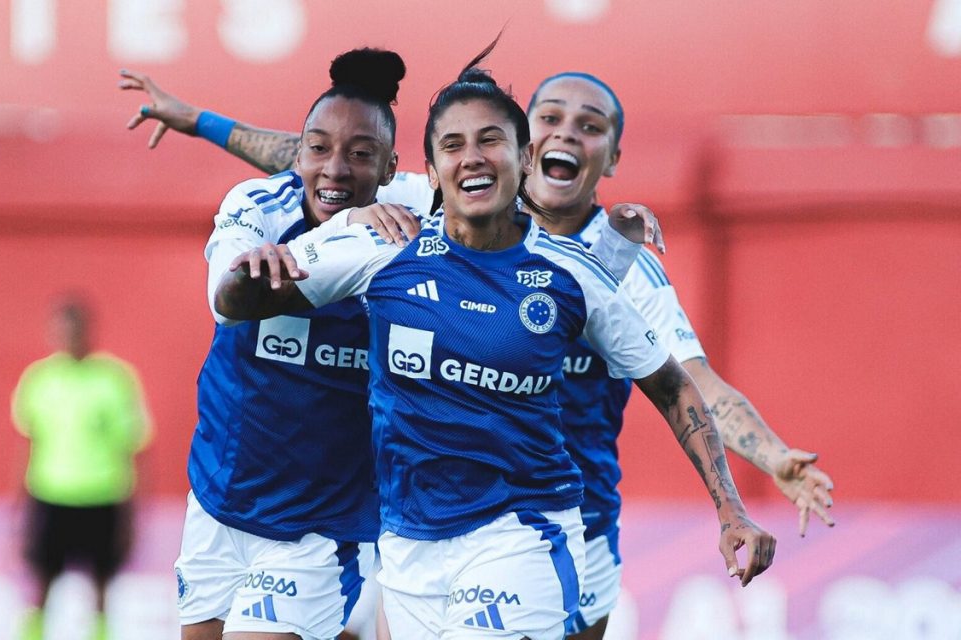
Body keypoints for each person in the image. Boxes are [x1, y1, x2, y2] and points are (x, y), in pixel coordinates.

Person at [121, 65, 834, 640]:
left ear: (536, 157)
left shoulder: (600, 271)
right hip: (411, 537)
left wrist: (751, 484)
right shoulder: (392, 231)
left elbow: (684, 383)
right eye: (552, 116)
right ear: (427, 171)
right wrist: (242, 249)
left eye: (589, 126)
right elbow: (323, 160)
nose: (565, 134)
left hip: (542, 524)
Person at [170, 47, 433, 640]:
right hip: (220, 499)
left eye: (361, 154)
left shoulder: (417, 214)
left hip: (322, 526)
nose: (336, 169)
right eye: (318, 148)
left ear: (391, 169)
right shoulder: (256, 205)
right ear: (299, 153)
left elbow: (503, 193)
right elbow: (225, 302)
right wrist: (338, 231)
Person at [12, 294, 152, 640]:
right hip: (50, 493)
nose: (67, 336)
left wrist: (135, 512)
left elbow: (134, 447)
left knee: (101, 589)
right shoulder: (39, 379)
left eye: (74, 329)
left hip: (102, 496)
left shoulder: (114, 378)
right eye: (60, 329)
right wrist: (20, 505)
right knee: (42, 585)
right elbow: (29, 442)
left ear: (88, 330)